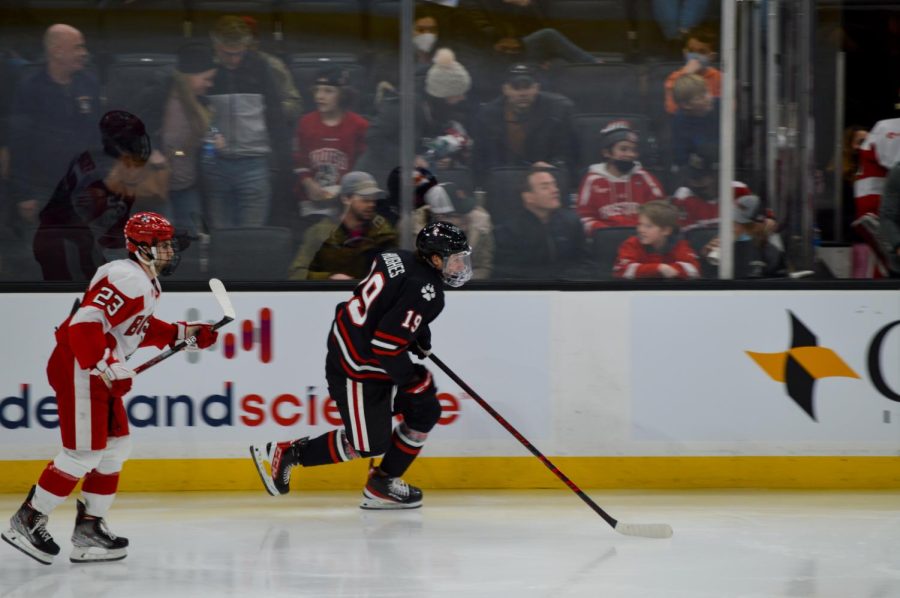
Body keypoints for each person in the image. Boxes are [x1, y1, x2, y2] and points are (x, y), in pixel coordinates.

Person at [1, 211, 218, 565]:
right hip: (80, 366)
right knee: (82, 453)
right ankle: (27, 520)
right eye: (162, 245)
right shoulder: (125, 277)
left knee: (115, 448)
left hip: (95, 368)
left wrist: (182, 332)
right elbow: (84, 325)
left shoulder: (145, 281)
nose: (170, 251)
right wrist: (103, 365)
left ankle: (89, 528)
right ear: (142, 248)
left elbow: (136, 327)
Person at [252, 221, 473, 509]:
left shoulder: (396, 256)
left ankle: (383, 483)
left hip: (368, 351)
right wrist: (411, 381)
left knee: (426, 409)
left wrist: (417, 333)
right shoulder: (428, 291)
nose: (460, 267)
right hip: (356, 366)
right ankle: (289, 453)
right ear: (434, 259)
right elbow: (386, 344)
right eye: (455, 260)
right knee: (368, 444)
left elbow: (390, 302)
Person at [32, 110, 152, 281]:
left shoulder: (98, 161)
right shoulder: (100, 180)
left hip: (71, 242)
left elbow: (114, 232)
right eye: (135, 140)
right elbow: (82, 233)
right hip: (62, 246)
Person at [9, 24, 101, 229]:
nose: (84, 53)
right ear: (57, 51)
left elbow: (96, 136)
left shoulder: (89, 83)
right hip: (42, 189)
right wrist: (24, 194)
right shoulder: (30, 88)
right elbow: (19, 143)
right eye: (78, 47)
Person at [203, 16, 288, 228]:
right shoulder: (206, 72)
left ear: (246, 46)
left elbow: (275, 116)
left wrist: (281, 161)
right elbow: (203, 116)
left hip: (255, 165)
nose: (233, 60)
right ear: (215, 45)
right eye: (226, 54)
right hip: (216, 163)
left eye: (238, 53)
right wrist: (214, 132)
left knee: (251, 239)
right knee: (220, 236)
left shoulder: (261, 67)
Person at [134, 41, 218, 235]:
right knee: (164, 240)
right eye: (206, 78)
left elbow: (209, 127)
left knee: (191, 239)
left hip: (187, 185)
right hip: (158, 185)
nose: (210, 84)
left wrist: (215, 135)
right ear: (190, 75)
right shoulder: (158, 95)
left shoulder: (202, 102)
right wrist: (151, 151)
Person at [471, 63, 575, 191]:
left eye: (527, 87)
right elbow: (479, 160)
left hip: (545, 181)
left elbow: (569, 154)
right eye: (516, 88)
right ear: (505, 89)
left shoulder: (558, 110)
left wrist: (551, 166)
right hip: (503, 184)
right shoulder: (487, 115)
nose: (522, 94)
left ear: (537, 88)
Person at [293, 65, 369, 225]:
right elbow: (300, 161)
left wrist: (347, 190)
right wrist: (308, 183)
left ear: (342, 95)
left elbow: (364, 166)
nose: (320, 96)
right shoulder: (305, 123)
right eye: (317, 90)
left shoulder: (359, 125)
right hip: (311, 204)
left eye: (328, 91)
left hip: (347, 203)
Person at [288, 171, 398, 280]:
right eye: (365, 199)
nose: (371, 204)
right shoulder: (319, 233)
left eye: (373, 199)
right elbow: (297, 273)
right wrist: (329, 278)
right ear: (345, 198)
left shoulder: (382, 230)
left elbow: (398, 270)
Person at [493, 167, 590, 280]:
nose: (555, 190)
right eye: (545, 187)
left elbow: (585, 265)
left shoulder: (572, 223)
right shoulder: (508, 232)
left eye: (554, 185)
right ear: (528, 197)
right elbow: (509, 275)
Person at [575, 121, 666, 232]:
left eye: (633, 150)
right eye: (623, 149)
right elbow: (584, 218)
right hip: (606, 241)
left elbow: (662, 213)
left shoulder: (645, 178)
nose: (630, 154)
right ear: (606, 153)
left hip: (641, 240)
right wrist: (607, 233)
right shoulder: (592, 180)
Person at [404, 181, 494, 279]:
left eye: (465, 213)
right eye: (456, 216)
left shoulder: (479, 228)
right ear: (438, 217)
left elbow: (483, 267)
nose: (464, 219)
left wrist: (461, 282)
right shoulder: (414, 232)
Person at [699, 194, 786, 278]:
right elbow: (706, 280)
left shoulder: (772, 253)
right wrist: (705, 258)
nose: (733, 225)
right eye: (733, 220)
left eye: (740, 222)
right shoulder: (718, 245)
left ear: (757, 225)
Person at [612, 200, 700, 279]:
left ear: (666, 230)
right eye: (639, 224)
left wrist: (668, 269)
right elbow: (621, 270)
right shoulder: (631, 244)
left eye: (648, 226)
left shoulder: (680, 244)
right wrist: (658, 268)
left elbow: (694, 270)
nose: (640, 230)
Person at [663, 24, 721, 115]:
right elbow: (672, 109)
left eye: (702, 52)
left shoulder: (719, 77)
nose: (695, 56)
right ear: (685, 52)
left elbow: (726, 109)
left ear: (712, 56)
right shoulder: (674, 78)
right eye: (691, 51)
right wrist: (686, 76)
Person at [671, 73, 719, 171]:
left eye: (707, 92)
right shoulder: (680, 121)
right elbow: (682, 158)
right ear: (686, 105)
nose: (709, 98)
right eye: (700, 97)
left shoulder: (721, 108)